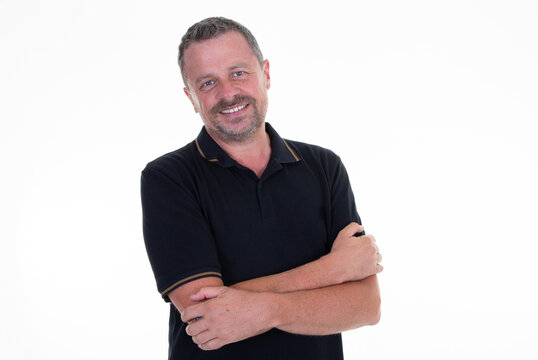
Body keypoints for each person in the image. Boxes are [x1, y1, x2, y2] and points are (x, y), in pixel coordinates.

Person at [141, 16, 383, 360]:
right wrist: (334, 270)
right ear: (191, 97)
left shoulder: (324, 167)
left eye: (239, 73)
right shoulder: (168, 178)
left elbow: (366, 306)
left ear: (266, 73)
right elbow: (202, 312)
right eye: (207, 83)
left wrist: (263, 309)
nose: (228, 93)